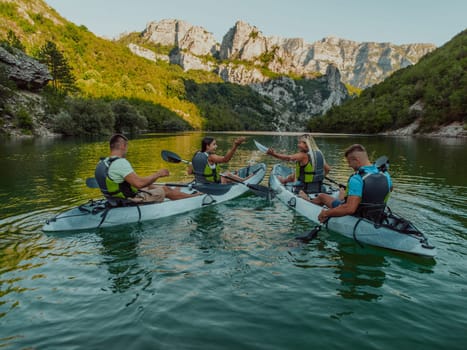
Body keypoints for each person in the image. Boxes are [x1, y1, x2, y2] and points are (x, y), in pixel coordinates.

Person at [95, 134, 199, 205]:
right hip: (130, 200)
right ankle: (195, 198)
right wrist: (158, 174)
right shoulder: (121, 162)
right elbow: (139, 184)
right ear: (123, 146)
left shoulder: (104, 162)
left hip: (115, 200)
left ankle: (175, 192)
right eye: (127, 146)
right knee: (165, 190)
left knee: (150, 185)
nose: (127, 149)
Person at [309, 144, 392, 223]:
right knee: (342, 195)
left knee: (322, 196)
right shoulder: (385, 174)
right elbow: (387, 190)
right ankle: (341, 195)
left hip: (358, 215)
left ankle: (306, 200)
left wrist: (326, 213)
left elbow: (350, 209)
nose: (349, 165)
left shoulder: (357, 178)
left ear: (356, 160)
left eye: (349, 162)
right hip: (376, 214)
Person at [265, 134, 331, 193]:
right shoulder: (318, 155)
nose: (298, 145)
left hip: (304, 190)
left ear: (306, 144)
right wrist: (317, 179)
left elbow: (288, 158)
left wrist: (273, 154)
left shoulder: (303, 155)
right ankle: (284, 180)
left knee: (297, 175)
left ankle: (284, 180)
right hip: (319, 188)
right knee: (297, 174)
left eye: (300, 143)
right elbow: (327, 169)